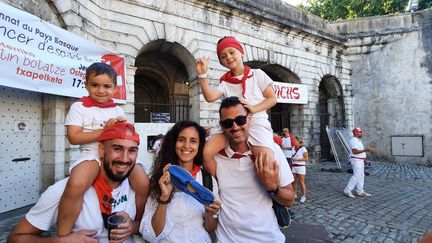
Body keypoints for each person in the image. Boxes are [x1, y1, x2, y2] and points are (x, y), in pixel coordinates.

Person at [8, 122, 149, 243]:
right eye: (117, 149)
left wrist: (134, 227)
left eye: (132, 151)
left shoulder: (138, 187)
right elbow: (15, 238)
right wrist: (60, 241)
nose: (124, 159)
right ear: (101, 150)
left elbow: (154, 230)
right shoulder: (64, 189)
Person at [57, 62, 148, 236]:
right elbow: (74, 137)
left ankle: (138, 224)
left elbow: (123, 136)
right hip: (91, 154)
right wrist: (105, 131)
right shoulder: (79, 108)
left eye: (107, 86)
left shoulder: (117, 110)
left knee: (143, 182)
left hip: (114, 153)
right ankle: (63, 234)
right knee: (77, 183)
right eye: (95, 85)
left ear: (115, 89)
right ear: (86, 85)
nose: (101, 90)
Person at [213, 96, 295, 242]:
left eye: (240, 120)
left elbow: (290, 199)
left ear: (249, 118)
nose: (235, 127)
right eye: (228, 123)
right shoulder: (216, 157)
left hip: (267, 238)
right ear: (222, 125)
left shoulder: (271, 151)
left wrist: (272, 187)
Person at [196, 36, 277, 176]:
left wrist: (254, 108)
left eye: (232, 52)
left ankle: (273, 191)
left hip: (257, 124)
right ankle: (223, 180)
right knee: (205, 153)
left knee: (266, 163)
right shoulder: (225, 83)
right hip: (231, 126)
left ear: (241, 52)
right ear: (221, 62)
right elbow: (209, 97)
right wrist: (202, 75)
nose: (228, 57)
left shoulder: (257, 74)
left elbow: (272, 99)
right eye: (223, 56)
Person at [140, 121, 221, 242]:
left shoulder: (207, 180)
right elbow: (152, 234)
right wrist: (164, 197)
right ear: (174, 143)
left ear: (199, 145)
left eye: (193, 141)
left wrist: (210, 215)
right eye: (181, 139)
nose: (186, 145)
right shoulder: (161, 179)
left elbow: (209, 229)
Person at [343, 127, 375, 198]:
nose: (362, 133)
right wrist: (366, 150)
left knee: (361, 175)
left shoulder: (358, 140)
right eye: (360, 132)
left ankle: (360, 191)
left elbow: (360, 151)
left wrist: (364, 159)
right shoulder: (353, 140)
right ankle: (347, 190)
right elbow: (355, 151)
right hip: (356, 160)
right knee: (356, 175)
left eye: (361, 132)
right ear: (356, 133)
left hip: (360, 160)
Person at [291, 137, 309, 203]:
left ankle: (304, 196)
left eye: (295, 140)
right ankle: (294, 194)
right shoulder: (293, 148)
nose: (294, 141)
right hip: (294, 166)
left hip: (301, 167)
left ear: (299, 141)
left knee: (301, 182)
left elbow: (306, 158)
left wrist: (298, 159)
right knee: (294, 181)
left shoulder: (303, 149)